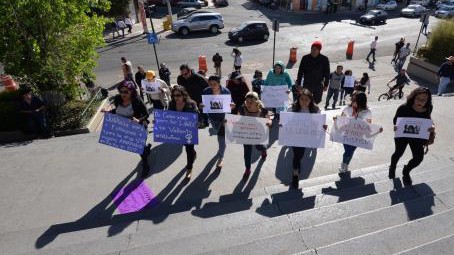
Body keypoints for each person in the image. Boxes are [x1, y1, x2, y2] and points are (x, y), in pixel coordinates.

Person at [104, 80, 151, 178]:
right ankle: (147, 149)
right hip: (126, 130)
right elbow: (117, 111)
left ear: (132, 91)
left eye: (126, 92)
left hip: (139, 128)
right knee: (141, 148)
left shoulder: (137, 100)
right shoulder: (117, 99)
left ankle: (146, 165)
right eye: (121, 91)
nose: (123, 94)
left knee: (139, 149)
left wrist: (138, 120)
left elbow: (146, 114)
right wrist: (109, 112)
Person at [389, 87, 435, 186]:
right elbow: (395, 121)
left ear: (428, 100)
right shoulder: (403, 108)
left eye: (424, 99)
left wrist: (432, 126)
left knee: (418, 158)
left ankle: (406, 171)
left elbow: (429, 119)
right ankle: (392, 167)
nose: (420, 101)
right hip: (403, 135)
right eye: (418, 98)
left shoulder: (429, 107)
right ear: (413, 97)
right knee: (398, 152)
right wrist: (396, 126)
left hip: (418, 136)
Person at [283, 89, 327, 189]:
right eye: (301, 99)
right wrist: (282, 124)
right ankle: (295, 174)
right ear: (298, 99)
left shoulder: (315, 110)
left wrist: (323, 126)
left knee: (300, 154)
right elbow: (286, 120)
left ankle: (296, 167)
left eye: (306, 99)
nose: (304, 101)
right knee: (297, 154)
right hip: (294, 137)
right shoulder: (292, 108)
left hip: (306, 138)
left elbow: (319, 123)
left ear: (310, 100)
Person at [335, 91, 382, 175]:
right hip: (346, 134)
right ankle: (343, 164)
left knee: (351, 151)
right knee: (347, 151)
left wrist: (377, 130)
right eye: (352, 100)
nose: (353, 102)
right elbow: (341, 119)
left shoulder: (367, 112)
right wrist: (336, 120)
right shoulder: (347, 109)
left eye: (355, 100)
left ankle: (346, 164)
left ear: (361, 102)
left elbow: (369, 125)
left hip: (358, 136)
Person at [168, 85, 200, 180]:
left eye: (178, 95)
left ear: (183, 95)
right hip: (178, 131)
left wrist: (198, 123)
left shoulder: (191, 104)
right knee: (187, 146)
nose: (176, 97)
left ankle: (189, 168)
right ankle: (194, 154)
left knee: (188, 149)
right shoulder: (172, 104)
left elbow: (197, 116)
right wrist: (159, 121)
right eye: (174, 95)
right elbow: (168, 116)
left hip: (189, 131)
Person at [238, 92, 272, 180]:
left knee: (260, 147)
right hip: (246, 134)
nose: (248, 104)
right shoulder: (242, 108)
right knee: (247, 152)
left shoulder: (263, 110)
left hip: (258, 134)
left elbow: (269, 119)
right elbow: (237, 118)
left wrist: (269, 122)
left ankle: (263, 150)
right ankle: (247, 169)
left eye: (251, 102)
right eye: (247, 102)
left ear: (256, 102)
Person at [202, 75, 232, 168]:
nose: (212, 86)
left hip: (223, 118)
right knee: (216, 132)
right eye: (210, 84)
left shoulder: (226, 91)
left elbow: (230, 102)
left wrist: (232, 104)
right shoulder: (206, 91)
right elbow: (203, 104)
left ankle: (221, 157)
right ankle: (221, 150)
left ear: (219, 83)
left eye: (214, 84)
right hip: (212, 118)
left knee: (221, 138)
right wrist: (201, 106)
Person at [177, 64, 209, 128]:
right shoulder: (180, 78)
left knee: (202, 125)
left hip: (200, 104)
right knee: (190, 126)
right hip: (188, 104)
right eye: (182, 74)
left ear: (190, 71)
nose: (183, 76)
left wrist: (205, 102)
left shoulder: (200, 78)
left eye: (185, 74)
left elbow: (208, 90)